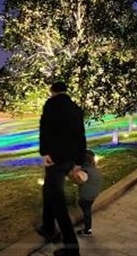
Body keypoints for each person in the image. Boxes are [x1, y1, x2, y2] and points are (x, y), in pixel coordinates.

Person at [37, 81, 86, 256]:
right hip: (70, 159)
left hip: (55, 159)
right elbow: (81, 136)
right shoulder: (75, 108)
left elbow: (45, 130)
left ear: (53, 91)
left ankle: (72, 247)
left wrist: (44, 152)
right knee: (48, 189)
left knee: (58, 202)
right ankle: (47, 226)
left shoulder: (51, 104)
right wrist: (79, 161)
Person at [76, 150, 103, 237]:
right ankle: (87, 227)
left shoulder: (85, 172)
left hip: (86, 196)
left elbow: (78, 180)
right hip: (94, 193)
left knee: (86, 210)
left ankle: (87, 230)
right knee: (87, 209)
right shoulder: (94, 169)